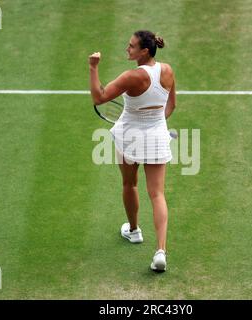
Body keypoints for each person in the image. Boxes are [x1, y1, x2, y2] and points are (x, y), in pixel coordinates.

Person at [89, 30, 176, 272]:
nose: (127, 49)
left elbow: (99, 97)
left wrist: (93, 67)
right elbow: (171, 105)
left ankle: (134, 231)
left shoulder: (132, 77)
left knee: (130, 184)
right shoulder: (167, 70)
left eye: (131, 46)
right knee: (157, 194)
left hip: (129, 138)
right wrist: (157, 123)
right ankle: (161, 251)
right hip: (157, 137)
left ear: (144, 51)